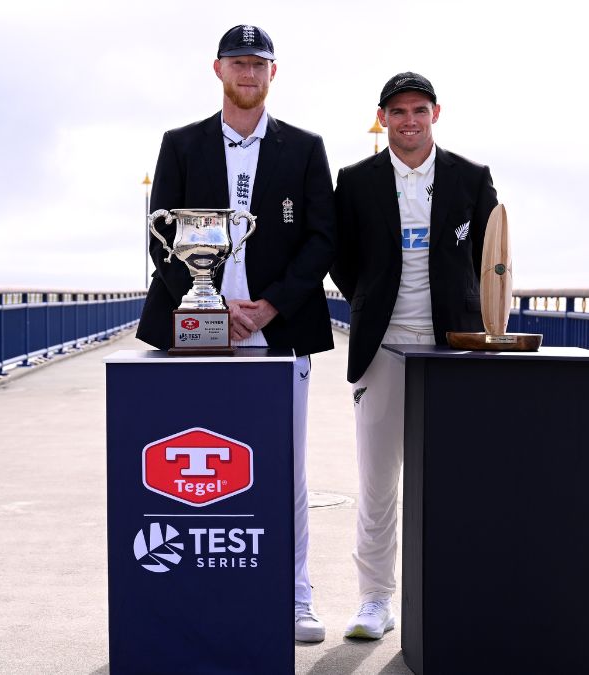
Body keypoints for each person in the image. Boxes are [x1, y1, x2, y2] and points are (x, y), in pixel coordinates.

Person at [135, 24, 336, 643]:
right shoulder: (182, 144)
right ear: (217, 70)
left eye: (259, 64)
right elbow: (159, 237)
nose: (248, 74)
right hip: (198, 331)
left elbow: (321, 238)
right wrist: (215, 305)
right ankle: (198, 593)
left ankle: (296, 593)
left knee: (286, 470)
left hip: (280, 334)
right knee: (197, 472)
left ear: (273, 74)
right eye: (238, 63)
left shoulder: (304, 148)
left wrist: (271, 306)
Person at [330, 72, 499, 639]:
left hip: (452, 349)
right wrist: (368, 299)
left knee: (453, 480)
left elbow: (489, 258)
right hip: (383, 347)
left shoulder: (471, 180)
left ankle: (451, 595)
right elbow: (341, 257)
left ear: (436, 113)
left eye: (418, 110)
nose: (408, 121)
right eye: (397, 111)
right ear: (382, 117)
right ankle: (374, 600)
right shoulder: (355, 181)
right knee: (378, 481)